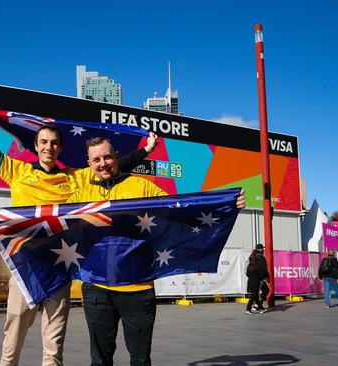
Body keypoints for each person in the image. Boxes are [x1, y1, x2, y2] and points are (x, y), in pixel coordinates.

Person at [0, 102, 157, 366]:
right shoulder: (17, 171)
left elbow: (109, 164)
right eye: (43, 142)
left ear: (60, 148)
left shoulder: (75, 178)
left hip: (58, 267)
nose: (48, 147)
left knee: (53, 347)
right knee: (13, 340)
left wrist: (144, 151)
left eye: (54, 143)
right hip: (25, 268)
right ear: (35, 145)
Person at [66, 137, 246, 366]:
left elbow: (181, 208)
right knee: (99, 360)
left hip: (138, 288)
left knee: (140, 360)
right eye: (97, 159)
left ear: (117, 156)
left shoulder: (141, 186)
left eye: (108, 157)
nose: (103, 163)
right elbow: (53, 221)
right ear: (89, 163)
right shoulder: (80, 195)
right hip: (96, 289)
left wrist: (228, 203)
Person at [244, 244, 270, 314]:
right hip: (258, 279)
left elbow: (246, 271)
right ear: (261, 249)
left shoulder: (251, 257)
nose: (263, 250)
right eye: (262, 249)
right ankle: (248, 308)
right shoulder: (260, 257)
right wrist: (265, 278)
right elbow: (263, 269)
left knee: (255, 294)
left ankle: (259, 307)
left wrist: (251, 276)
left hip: (251, 279)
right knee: (260, 292)